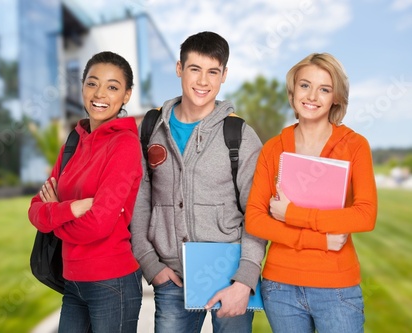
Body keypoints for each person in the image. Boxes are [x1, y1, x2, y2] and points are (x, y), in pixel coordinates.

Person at [130, 31, 266, 333]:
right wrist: (151, 264)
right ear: (180, 69)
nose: (203, 81)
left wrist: (246, 278)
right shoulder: (151, 128)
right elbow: (140, 202)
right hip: (171, 278)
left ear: (224, 75)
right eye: (195, 69)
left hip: (229, 277)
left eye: (213, 72)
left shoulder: (239, 136)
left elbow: (257, 212)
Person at [246, 53, 378, 333]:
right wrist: (319, 240)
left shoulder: (354, 146)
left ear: (336, 98)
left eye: (325, 89)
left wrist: (291, 214)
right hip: (280, 287)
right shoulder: (273, 148)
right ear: (293, 92)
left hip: (336, 288)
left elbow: (365, 215)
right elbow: (256, 220)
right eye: (305, 85)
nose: (312, 96)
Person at [28, 51, 143, 333]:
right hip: (72, 281)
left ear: (126, 95)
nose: (99, 93)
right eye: (92, 83)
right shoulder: (74, 142)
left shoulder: (124, 145)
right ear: (82, 87)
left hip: (111, 282)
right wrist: (71, 209)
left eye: (113, 87)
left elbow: (98, 226)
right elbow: (35, 209)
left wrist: (54, 215)